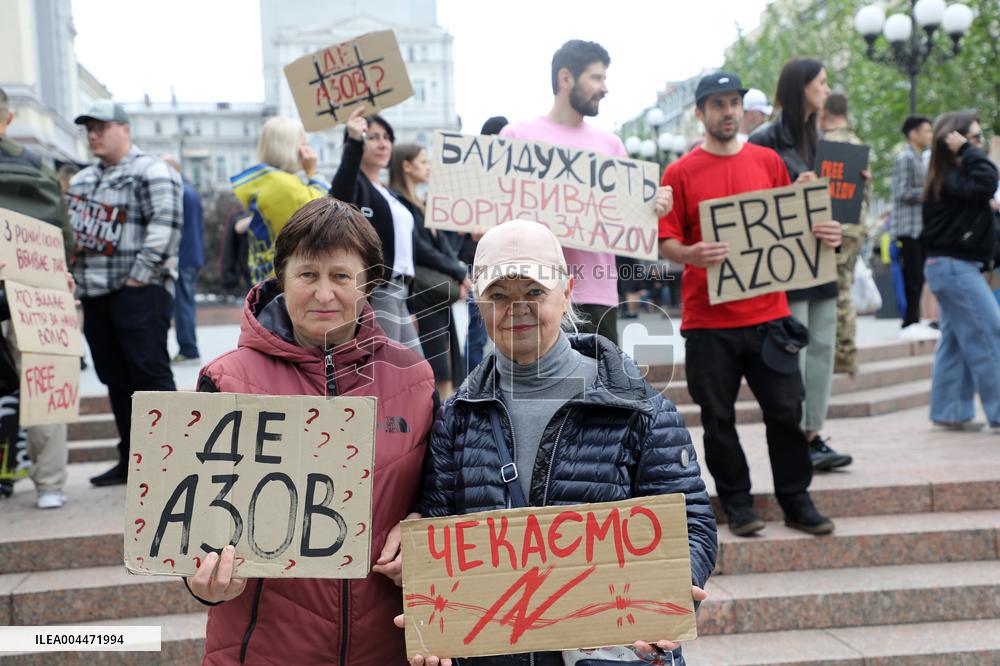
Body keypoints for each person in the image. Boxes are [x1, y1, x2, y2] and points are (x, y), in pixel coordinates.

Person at [407, 218, 717, 666]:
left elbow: (691, 523)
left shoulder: (639, 407)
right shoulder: (456, 417)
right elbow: (438, 526)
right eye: (498, 296)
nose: (517, 309)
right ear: (477, 299)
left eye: (534, 293)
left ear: (568, 291)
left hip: (610, 652)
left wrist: (668, 595)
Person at [185, 197, 436, 664]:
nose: (324, 294)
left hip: (389, 647)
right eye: (307, 275)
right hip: (263, 648)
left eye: (341, 276)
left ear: (369, 283)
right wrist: (203, 579)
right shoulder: (225, 380)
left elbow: (439, 493)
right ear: (282, 277)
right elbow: (195, 519)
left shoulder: (416, 379)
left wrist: (424, 530)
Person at [661, 71, 839, 537]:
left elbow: (794, 231)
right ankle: (738, 504)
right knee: (718, 419)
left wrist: (823, 230)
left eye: (734, 103)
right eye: (717, 104)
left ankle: (797, 501)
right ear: (699, 113)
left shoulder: (768, 162)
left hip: (770, 317)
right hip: (708, 321)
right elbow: (667, 243)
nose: (728, 112)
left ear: (744, 108)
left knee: (786, 411)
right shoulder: (679, 172)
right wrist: (689, 254)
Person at [500, 40, 672, 345]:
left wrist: (651, 207)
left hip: (598, 295)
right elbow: (495, 218)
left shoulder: (611, 146)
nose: (605, 88)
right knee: (538, 391)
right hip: (533, 294)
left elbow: (626, 221)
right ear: (566, 78)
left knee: (601, 390)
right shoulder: (517, 137)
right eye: (597, 77)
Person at [67, 100, 182, 487]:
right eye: (89, 129)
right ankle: (131, 459)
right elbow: (75, 233)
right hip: (96, 293)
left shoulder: (152, 170)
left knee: (149, 375)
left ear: (125, 129)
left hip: (139, 292)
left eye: (101, 127)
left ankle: (171, 462)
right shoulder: (82, 180)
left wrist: (139, 278)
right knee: (115, 378)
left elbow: (165, 227)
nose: (93, 135)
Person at [749, 58, 851, 472]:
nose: (827, 90)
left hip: (820, 258)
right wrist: (792, 192)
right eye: (821, 83)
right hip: (784, 266)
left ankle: (813, 435)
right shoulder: (764, 138)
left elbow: (829, 207)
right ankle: (797, 437)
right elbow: (749, 206)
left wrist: (840, 217)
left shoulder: (818, 138)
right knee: (796, 353)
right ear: (800, 87)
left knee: (823, 349)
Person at [0, 86, 72, 508]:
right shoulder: (36, 164)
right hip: (35, 288)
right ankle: (50, 485)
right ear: (9, 119)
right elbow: (65, 235)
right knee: (43, 382)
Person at [920, 112, 1000, 433]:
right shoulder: (951, 176)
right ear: (954, 140)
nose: (977, 144)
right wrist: (969, 151)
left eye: (978, 139)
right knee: (991, 331)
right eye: (973, 137)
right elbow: (988, 180)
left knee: (955, 339)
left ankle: (949, 410)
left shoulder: (951, 178)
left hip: (953, 266)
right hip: (953, 267)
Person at [331, 108, 421, 351]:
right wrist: (353, 141)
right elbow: (339, 196)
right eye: (372, 138)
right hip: (378, 292)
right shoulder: (356, 185)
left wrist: (410, 303)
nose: (382, 144)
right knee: (385, 369)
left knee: (415, 371)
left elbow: (410, 249)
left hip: (401, 291)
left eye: (387, 137)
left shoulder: (389, 193)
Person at [389, 143, 471, 397]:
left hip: (436, 294)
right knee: (435, 366)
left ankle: (444, 417)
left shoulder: (421, 203)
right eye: (423, 162)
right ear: (406, 165)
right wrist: (458, 273)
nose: (428, 167)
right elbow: (420, 249)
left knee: (447, 365)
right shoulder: (398, 202)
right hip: (421, 295)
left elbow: (442, 246)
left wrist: (459, 274)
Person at [231, 116, 327, 286]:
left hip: (266, 274)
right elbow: (322, 210)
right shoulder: (283, 185)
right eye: (303, 144)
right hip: (280, 279)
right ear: (291, 148)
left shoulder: (267, 180)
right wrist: (313, 172)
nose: (307, 151)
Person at [820, 92, 869, 377]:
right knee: (844, 287)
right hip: (855, 229)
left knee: (839, 293)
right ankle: (846, 353)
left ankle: (845, 356)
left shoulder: (827, 145)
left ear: (825, 113)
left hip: (834, 228)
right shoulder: (858, 144)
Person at [891, 115, 935, 332]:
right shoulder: (905, 158)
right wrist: (928, 192)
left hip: (921, 227)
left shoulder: (921, 158)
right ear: (913, 134)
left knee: (919, 276)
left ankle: (914, 320)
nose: (930, 135)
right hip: (908, 228)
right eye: (926, 130)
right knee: (912, 277)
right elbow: (902, 191)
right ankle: (910, 321)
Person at [161, 154, 204, 365]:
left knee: (182, 305)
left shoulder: (177, 192)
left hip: (182, 257)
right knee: (185, 303)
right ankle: (188, 348)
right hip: (192, 255)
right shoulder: (191, 192)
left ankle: (188, 349)